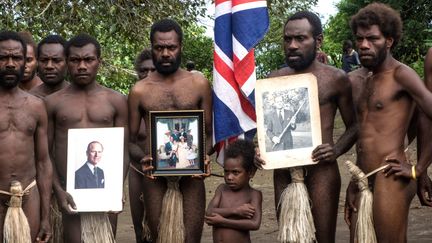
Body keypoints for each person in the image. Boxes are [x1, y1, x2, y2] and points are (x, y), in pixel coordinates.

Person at [260, 11, 357, 242]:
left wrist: (336, 149)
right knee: (290, 236)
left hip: (322, 171)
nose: (292, 45)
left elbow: (355, 126)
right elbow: (269, 130)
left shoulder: (336, 78)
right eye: (287, 39)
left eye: (300, 38)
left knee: (323, 238)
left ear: (318, 40)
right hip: (284, 172)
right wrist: (261, 152)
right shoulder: (273, 79)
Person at [344, 3, 432, 242]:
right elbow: (365, 132)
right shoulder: (364, 80)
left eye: (372, 39)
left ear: (389, 41)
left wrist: (419, 169)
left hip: (390, 175)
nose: (363, 45)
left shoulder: (401, 75)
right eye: (360, 39)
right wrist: (355, 181)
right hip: (364, 175)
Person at [128, 19, 213, 243]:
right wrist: (142, 158)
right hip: (155, 176)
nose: (165, 53)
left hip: (192, 175)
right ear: (152, 47)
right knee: (160, 238)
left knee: (191, 238)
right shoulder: (139, 90)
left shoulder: (198, 84)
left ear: (180, 47)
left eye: (171, 47)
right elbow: (129, 141)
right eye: (159, 47)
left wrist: (205, 155)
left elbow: (208, 132)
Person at [45, 33, 128, 243]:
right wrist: (59, 190)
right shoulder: (52, 103)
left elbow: (123, 151)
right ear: (66, 62)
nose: (82, 66)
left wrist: (116, 188)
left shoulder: (116, 101)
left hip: (105, 190)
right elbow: (45, 153)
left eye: (88, 60)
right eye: (75, 60)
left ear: (98, 62)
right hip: (70, 193)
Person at [0, 30, 52, 242]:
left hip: (29, 196)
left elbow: (43, 162)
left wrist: (46, 217)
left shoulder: (36, 107)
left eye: (16, 57)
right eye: (3, 57)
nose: (10, 63)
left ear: (26, 61)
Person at [205, 139, 262, 243]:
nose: (229, 177)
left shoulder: (253, 194)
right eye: (226, 172)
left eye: (235, 172)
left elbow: (255, 224)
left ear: (251, 173)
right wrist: (236, 211)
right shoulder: (221, 189)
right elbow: (209, 213)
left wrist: (223, 221)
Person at [129, 48, 155, 243]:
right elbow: (124, 140)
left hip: (166, 176)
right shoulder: (129, 102)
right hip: (137, 170)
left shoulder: (170, 103)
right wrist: (140, 157)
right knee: (140, 230)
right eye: (143, 71)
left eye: (153, 70)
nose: (148, 75)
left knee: (160, 227)